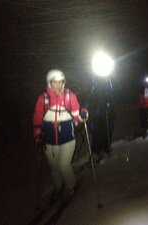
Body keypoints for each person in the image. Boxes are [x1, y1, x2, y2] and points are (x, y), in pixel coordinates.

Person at [33, 69, 88, 203]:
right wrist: (37, 135)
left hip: (67, 138)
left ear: (63, 83)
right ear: (49, 83)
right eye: (54, 82)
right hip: (49, 141)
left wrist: (83, 114)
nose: (57, 85)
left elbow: (77, 115)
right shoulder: (43, 99)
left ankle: (70, 187)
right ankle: (58, 187)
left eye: (60, 82)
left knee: (63, 165)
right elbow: (37, 118)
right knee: (54, 166)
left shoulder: (70, 97)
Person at [87, 78, 116, 164]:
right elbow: (90, 97)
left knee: (106, 131)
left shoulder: (108, 82)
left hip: (107, 113)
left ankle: (105, 148)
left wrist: (108, 106)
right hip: (97, 114)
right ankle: (97, 152)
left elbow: (112, 95)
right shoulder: (94, 84)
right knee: (97, 133)